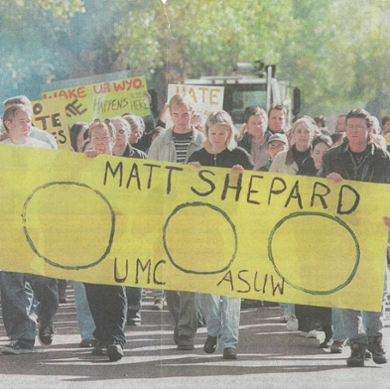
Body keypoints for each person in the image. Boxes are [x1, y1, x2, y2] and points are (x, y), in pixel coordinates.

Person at [321, 108, 390, 367]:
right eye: (349, 126)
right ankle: (357, 343)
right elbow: (316, 191)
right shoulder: (332, 157)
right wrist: (327, 181)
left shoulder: (384, 158)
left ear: (369, 130)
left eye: (359, 127)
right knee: (345, 289)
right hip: (342, 232)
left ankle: (375, 337)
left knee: (375, 289)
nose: (353, 130)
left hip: (373, 232)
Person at [188, 110, 253, 359]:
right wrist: (189, 175)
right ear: (207, 132)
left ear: (230, 133)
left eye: (222, 133)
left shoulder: (240, 156)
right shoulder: (196, 157)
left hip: (234, 229)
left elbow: (257, 193)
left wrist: (243, 178)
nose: (217, 138)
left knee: (232, 288)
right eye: (213, 133)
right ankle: (214, 329)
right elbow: (184, 194)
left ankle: (230, 342)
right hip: (205, 231)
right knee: (207, 286)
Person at [0, 104, 59, 355]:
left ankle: (45, 319)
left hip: (38, 225)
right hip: (7, 226)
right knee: (11, 280)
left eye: (29, 120)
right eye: (22, 120)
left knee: (42, 279)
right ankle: (22, 335)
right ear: (8, 124)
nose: (28, 124)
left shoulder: (43, 150)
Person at [148, 94, 205, 350]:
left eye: (185, 115)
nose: (181, 120)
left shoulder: (203, 142)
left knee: (190, 277)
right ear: (170, 115)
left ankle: (185, 331)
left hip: (194, 218)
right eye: (176, 115)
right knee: (169, 279)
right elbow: (149, 178)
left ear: (192, 114)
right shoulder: (160, 143)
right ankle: (182, 319)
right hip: (166, 216)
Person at [84, 119, 127, 362]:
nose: (100, 142)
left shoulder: (123, 166)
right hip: (90, 236)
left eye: (104, 137)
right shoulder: (83, 165)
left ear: (113, 140)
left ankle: (116, 339)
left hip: (117, 235)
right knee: (93, 287)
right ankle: (101, 334)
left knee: (114, 287)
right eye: (95, 138)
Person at [269, 117, 317, 330]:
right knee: (288, 267)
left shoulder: (320, 155)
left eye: (307, 131)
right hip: (287, 221)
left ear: (312, 134)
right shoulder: (280, 158)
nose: (303, 135)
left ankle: (309, 317)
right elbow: (270, 187)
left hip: (312, 224)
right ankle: (289, 311)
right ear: (292, 135)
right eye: (299, 131)